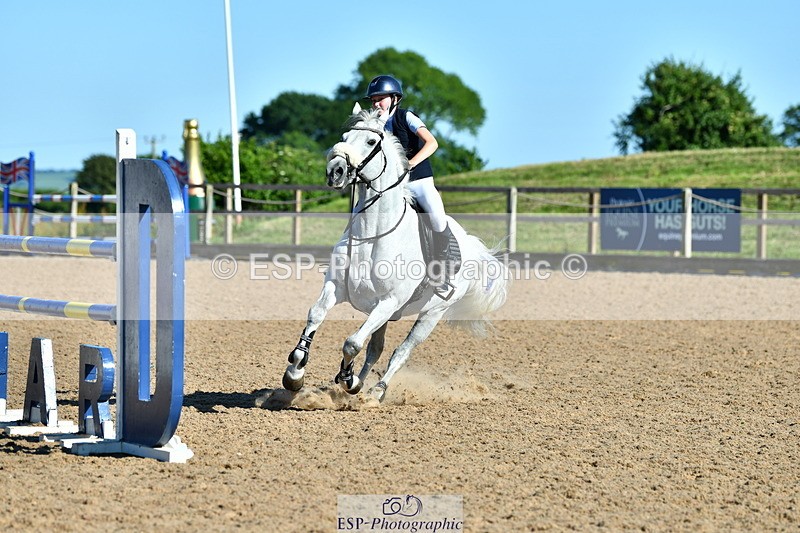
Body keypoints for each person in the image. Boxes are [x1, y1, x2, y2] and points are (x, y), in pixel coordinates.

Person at [365, 74, 461, 289]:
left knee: (436, 218)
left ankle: (442, 270)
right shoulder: (373, 125)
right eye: (373, 100)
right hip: (391, 186)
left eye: (381, 99)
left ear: (395, 98)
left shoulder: (406, 116)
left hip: (419, 181)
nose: (376, 104)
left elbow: (432, 143)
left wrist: (411, 163)